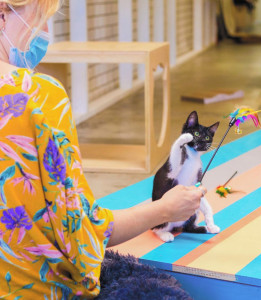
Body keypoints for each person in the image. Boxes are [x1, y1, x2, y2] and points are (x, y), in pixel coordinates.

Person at [0, 1, 206, 298]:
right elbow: (83, 233)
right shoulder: (39, 96)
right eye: (40, 20)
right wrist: (163, 209)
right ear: (3, 15)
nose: (45, 33)